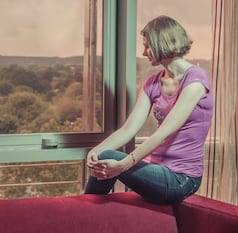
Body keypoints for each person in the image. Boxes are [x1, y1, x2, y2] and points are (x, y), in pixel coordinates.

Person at [85, 15, 213, 204]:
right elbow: (127, 129)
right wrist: (94, 151)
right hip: (155, 170)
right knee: (103, 155)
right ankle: (85, 213)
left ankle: (81, 213)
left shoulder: (196, 81)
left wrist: (123, 165)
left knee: (109, 156)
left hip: (181, 178)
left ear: (163, 43)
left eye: (147, 46)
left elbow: (163, 133)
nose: (144, 52)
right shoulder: (153, 83)